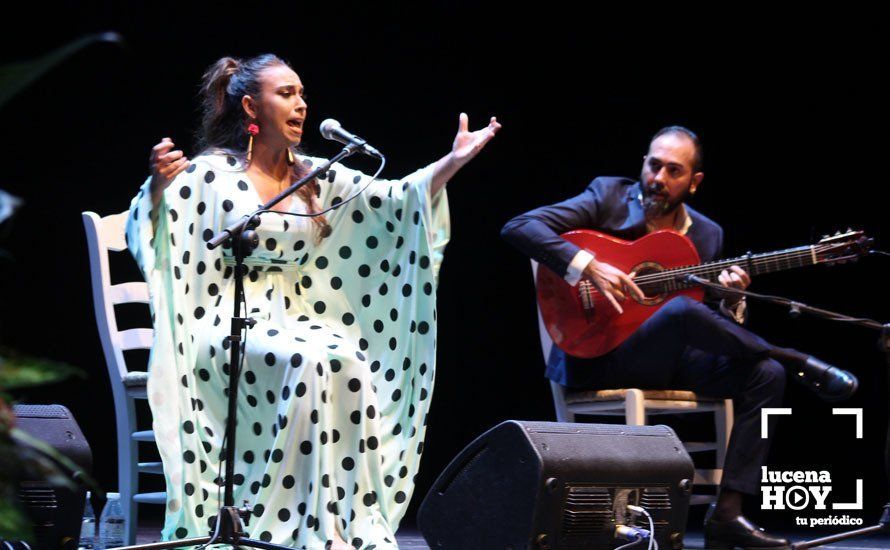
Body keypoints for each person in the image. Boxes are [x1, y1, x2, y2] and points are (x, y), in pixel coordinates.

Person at [127, 53, 500, 549]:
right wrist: (157, 185)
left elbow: (393, 202)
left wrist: (452, 162)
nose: (301, 104)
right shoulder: (211, 174)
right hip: (223, 322)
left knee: (345, 360)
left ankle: (333, 526)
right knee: (309, 360)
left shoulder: (316, 176)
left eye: (302, 94)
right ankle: (282, 528)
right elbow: (154, 225)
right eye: (286, 94)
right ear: (250, 108)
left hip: (296, 319)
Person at [501, 126, 857, 549]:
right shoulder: (608, 196)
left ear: (694, 181)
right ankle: (798, 359)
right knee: (681, 311)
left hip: (666, 356)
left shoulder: (708, 235)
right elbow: (519, 226)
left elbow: (708, 326)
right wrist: (587, 265)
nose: (658, 178)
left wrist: (730, 303)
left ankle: (727, 515)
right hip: (593, 353)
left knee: (765, 372)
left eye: (674, 170)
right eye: (654, 165)